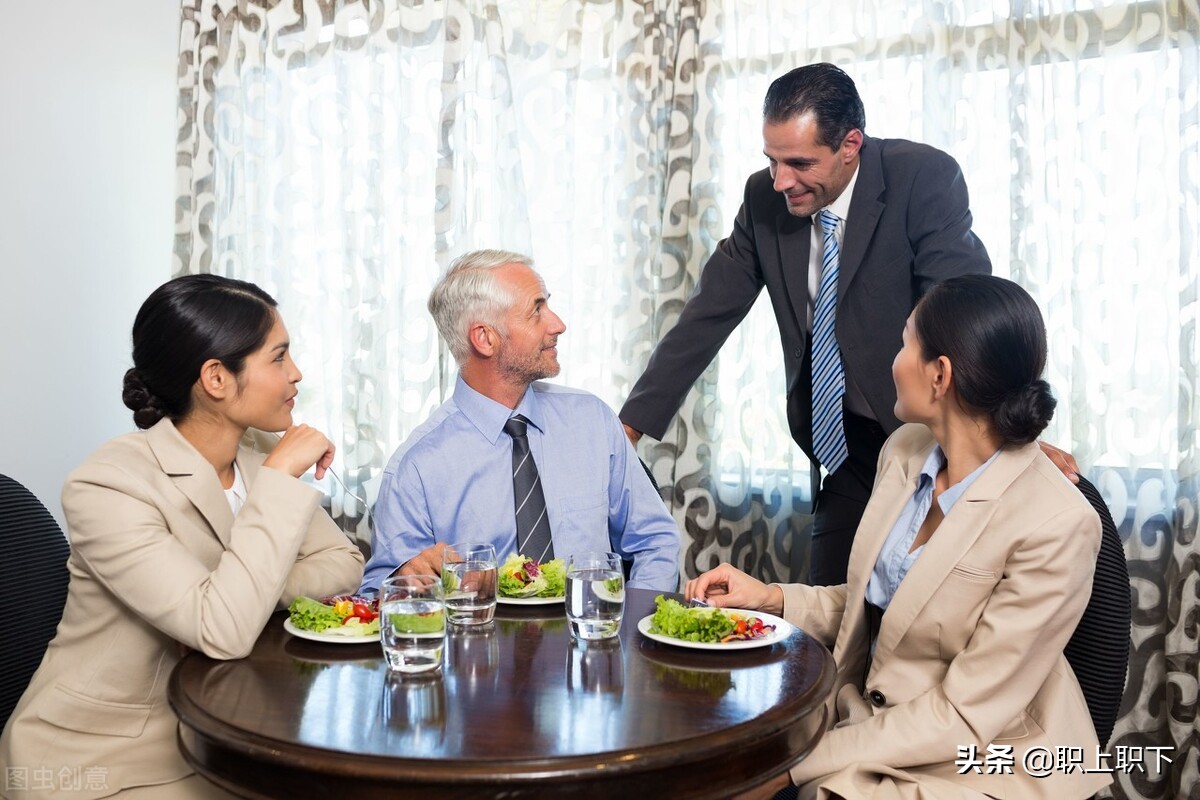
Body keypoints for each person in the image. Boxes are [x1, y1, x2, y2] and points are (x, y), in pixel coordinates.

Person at [685, 275, 1109, 800]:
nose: (893, 358)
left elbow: (961, 714)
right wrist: (770, 599)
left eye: (906, 341)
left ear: (940, 375)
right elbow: (894, 609)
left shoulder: (1058, 523)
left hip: (982, 757)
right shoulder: (905, 450)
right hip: (880, 725)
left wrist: (792, 768)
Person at [619, 62, 1001, 586]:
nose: (781, 181)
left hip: (930, 441)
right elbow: (707, 315)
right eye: (772, 160)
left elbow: (967, 312)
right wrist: (628, 427)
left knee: (919, 623)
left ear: (851, 145)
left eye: (799, 162)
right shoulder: (763, 199)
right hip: (843, 449)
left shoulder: (922, 179)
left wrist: (1003, 429)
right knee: (832, 628)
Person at [0, 275, 364, 800]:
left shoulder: (257, 452)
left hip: (226, 733)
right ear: (216, 378)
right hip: (102, 762)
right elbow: (223, 630)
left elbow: (343, 559)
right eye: (279, 358)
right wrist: (280, 481)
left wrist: (248, 590)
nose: (296, 374)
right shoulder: (107, 485)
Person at [361, 249, 679, 593]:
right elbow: (381, 594)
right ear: (485, 339)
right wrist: (405, 585)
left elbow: (655, 541)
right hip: (480, 642)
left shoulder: (593, 422)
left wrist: (628, 628)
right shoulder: (415, 469)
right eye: (536, 310)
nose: (557, 324)